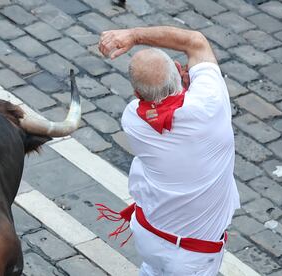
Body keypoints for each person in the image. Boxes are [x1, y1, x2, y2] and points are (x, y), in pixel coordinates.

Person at [97, 26, 240, 275]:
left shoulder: (133, 120)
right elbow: (195, 42)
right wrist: (133, 35)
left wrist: (184, 91)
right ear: (178, 68)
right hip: (191, 256)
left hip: (148, 235)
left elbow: (162, 110)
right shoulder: (209, 102)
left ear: (137, 93)